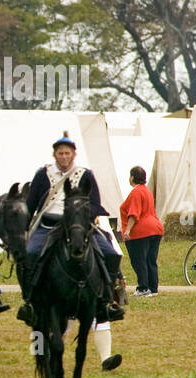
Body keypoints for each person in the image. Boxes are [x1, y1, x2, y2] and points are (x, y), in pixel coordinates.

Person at [17, 134, 125, 326]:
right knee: (30, 253)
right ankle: (30, 301)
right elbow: (31, 203)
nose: (64, 157)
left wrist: (81, 219)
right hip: (48, 225)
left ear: (74, 154)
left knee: (110, 253)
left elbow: (95, 204)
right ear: (55, 155)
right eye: (61, 153)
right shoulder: (43, 174)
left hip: (79, 226)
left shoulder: (85, 175)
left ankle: (106, 301)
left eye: (68, 153)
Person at [120, 165, 163, 298]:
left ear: (132, 177)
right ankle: (153, 287)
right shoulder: (147, 191)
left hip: (141, 231)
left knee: (139, 260)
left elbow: (134, 213)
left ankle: (143, 287)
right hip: (156, 228)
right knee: (151, 260)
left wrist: (127, 230)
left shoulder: (136, 192)